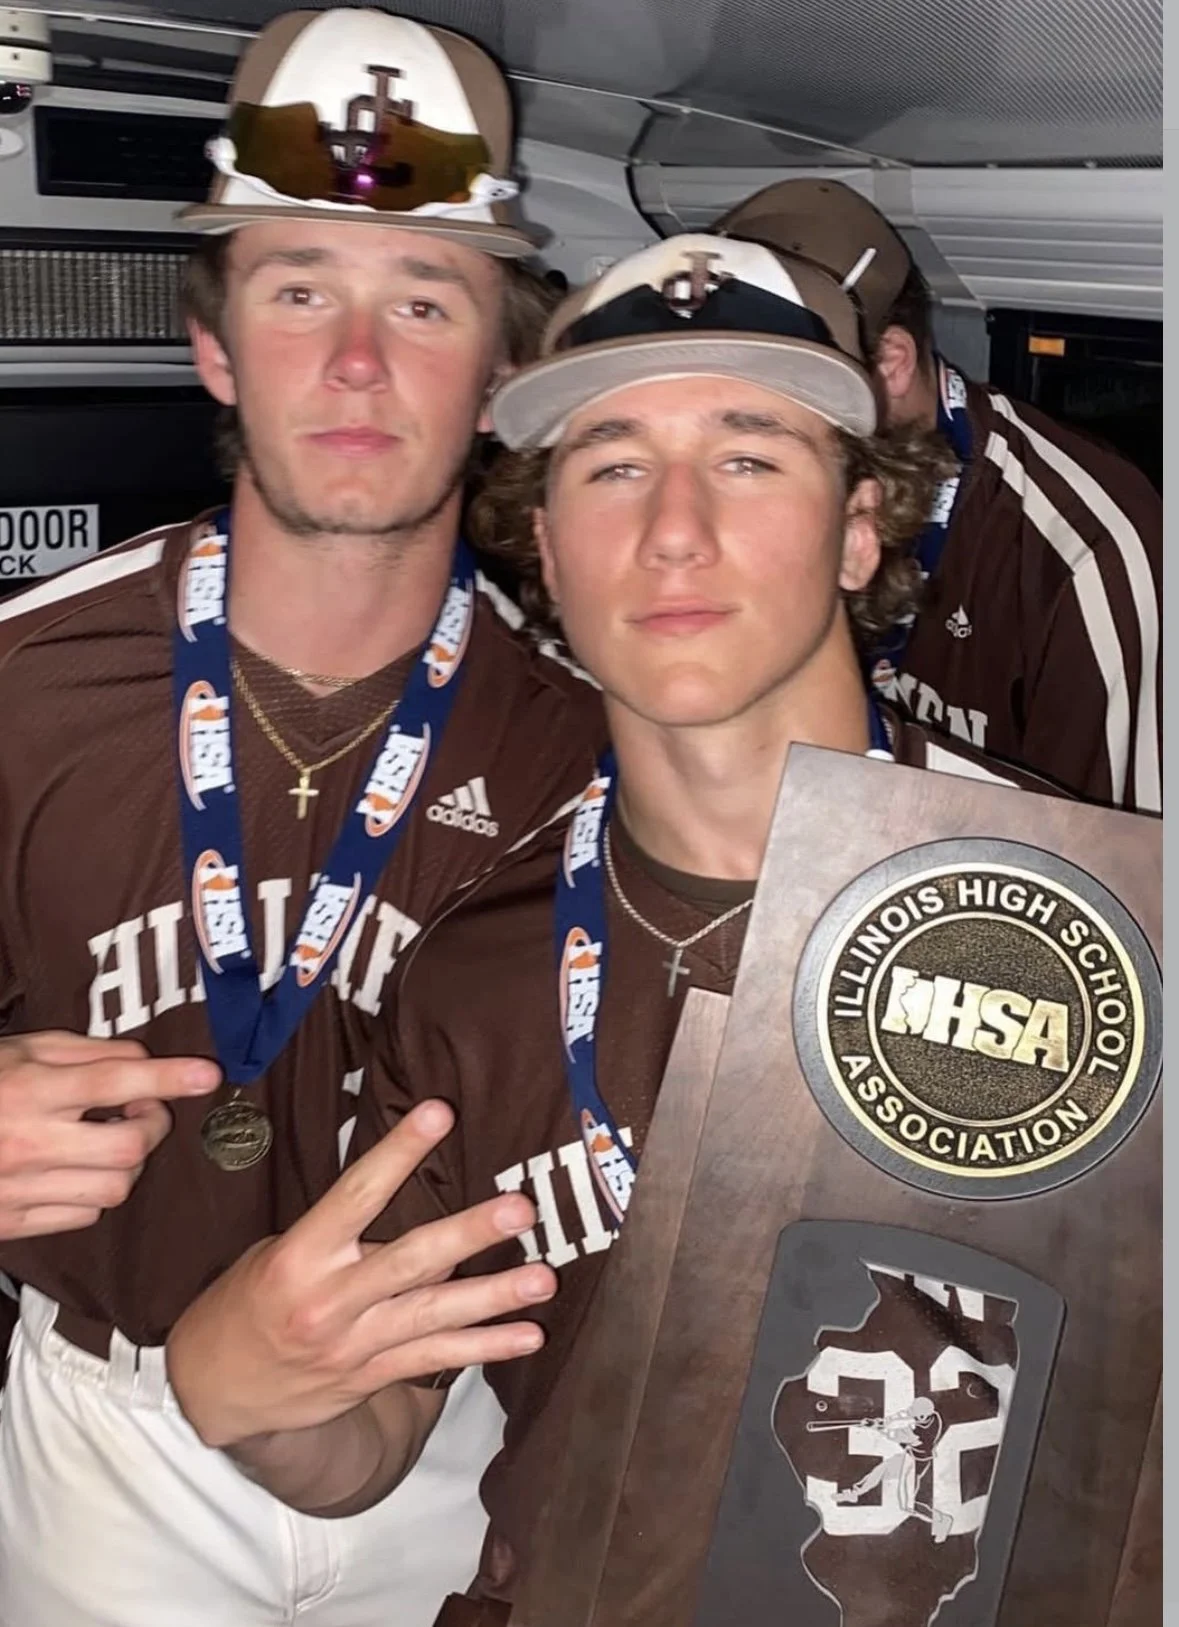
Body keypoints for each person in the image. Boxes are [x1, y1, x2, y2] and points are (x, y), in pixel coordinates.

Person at [164, 226, 1061, 1621]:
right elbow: (375, 1433)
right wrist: (249, 1392)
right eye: (612, 466)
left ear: (855, 530)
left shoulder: (1083, 919)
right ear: (545, 548)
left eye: (748, 454)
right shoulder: (467, 975)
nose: (674, 528)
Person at [0, 9, 605, 1625]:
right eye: (296, 293)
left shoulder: (579, 748)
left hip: (448, 1428)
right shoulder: (21, 685)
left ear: (496, 373)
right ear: (211, 346)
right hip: (111, 1445)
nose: (356, 364)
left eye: (422, 301)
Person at [709, 179, 1161, 813]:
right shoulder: (772, 488)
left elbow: (1115, 867)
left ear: (890, 362)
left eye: (796, 383)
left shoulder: (1086, 552)